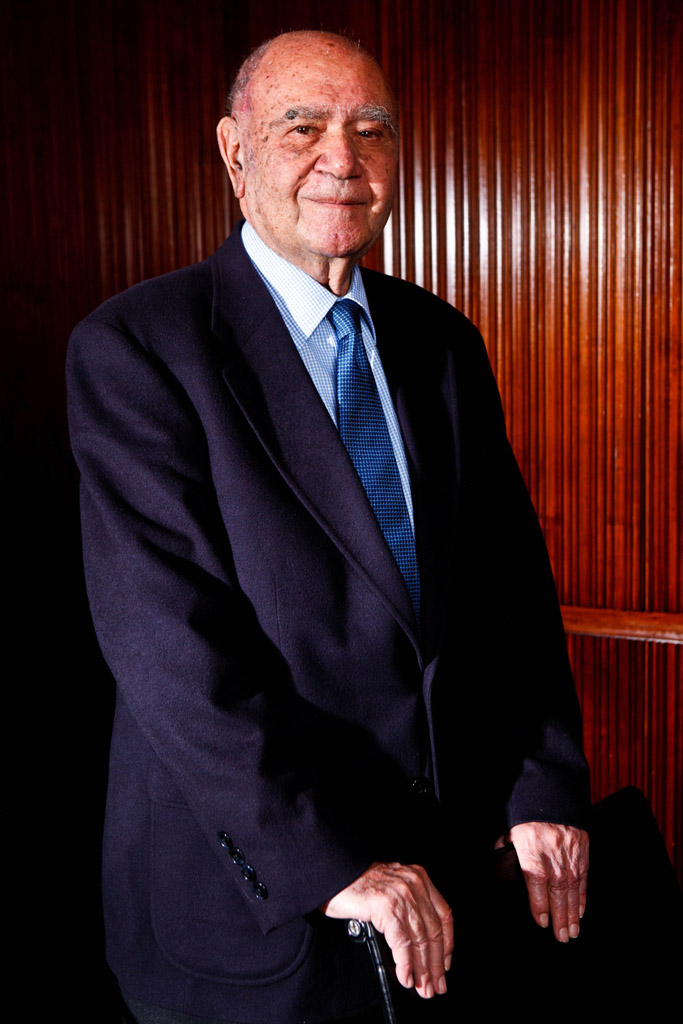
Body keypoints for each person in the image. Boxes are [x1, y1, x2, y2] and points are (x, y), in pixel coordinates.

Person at [67, 30, 590, 1024]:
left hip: (447, 892)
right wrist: (328, 861)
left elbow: (509, 593)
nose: (341, 159)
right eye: (300, 127)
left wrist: (542, 788)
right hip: (259, 914)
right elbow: (173, 651)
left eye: (370, 129)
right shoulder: (138, 348)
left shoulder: (441, 342)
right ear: (234, 152)